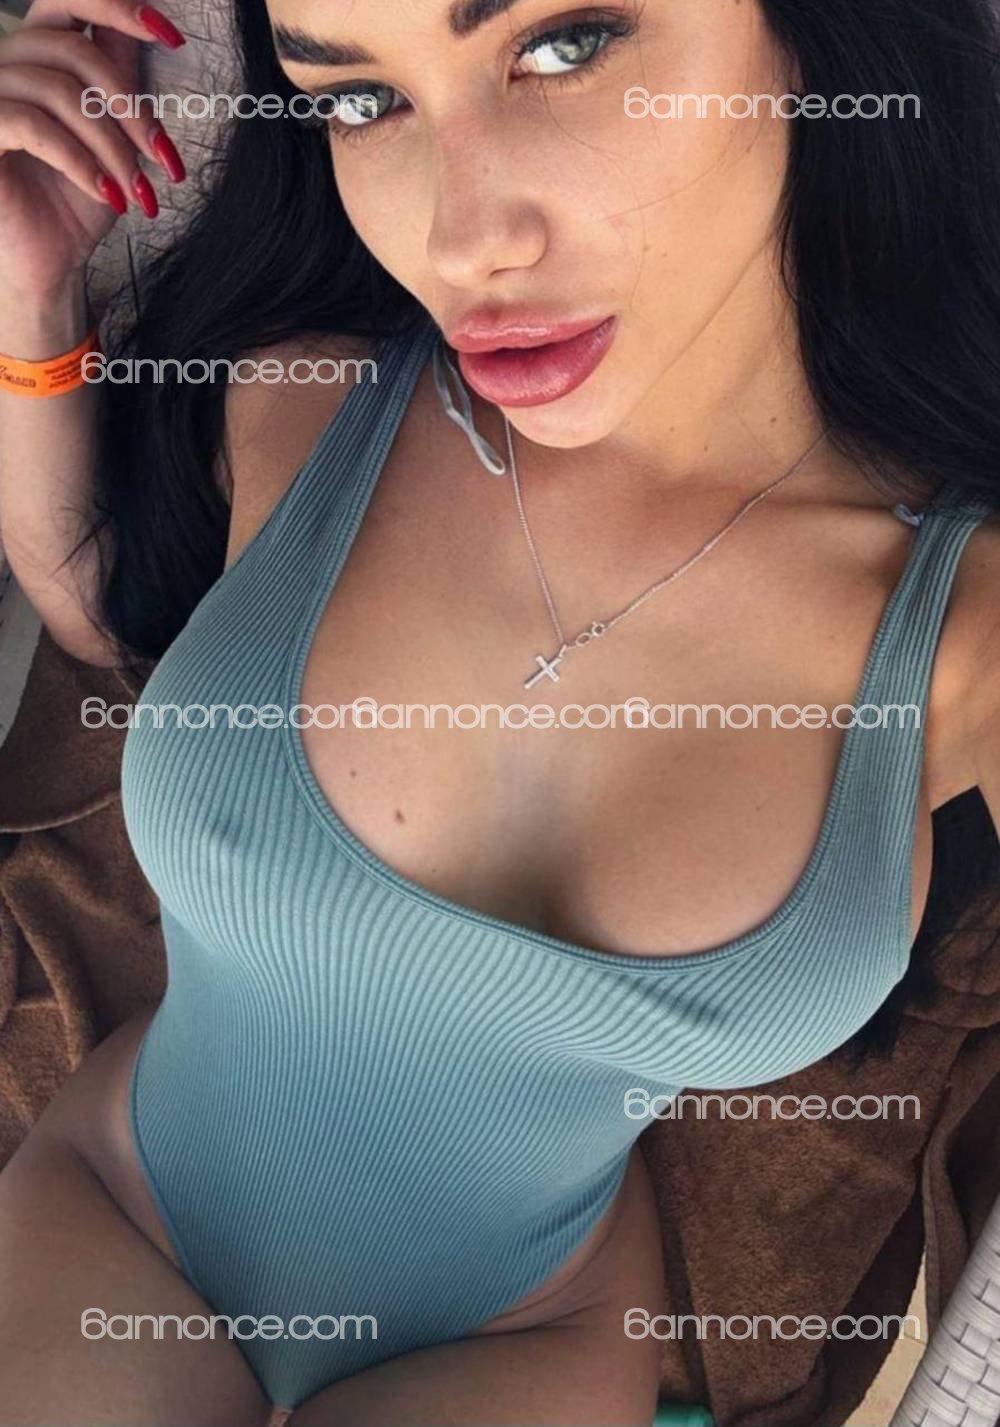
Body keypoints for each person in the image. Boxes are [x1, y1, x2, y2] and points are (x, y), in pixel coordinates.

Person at [0, 0, 998, 1423]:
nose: (461, 241)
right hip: (128, 1211)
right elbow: (107, 621)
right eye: (360, 101)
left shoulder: (965, 624)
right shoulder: (310, 392)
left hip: (533, 1328)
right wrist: (28, 293)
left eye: (567, 46)